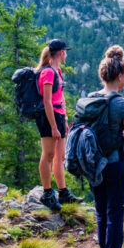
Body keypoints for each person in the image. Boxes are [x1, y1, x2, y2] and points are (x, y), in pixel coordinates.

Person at [91, 45, 124, 248]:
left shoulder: (90, 100)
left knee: (100, 213)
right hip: (117, 164)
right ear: (120, 76)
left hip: (94, 166)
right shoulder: (123, 104)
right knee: (115, 214)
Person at [35, 39, 81, 210]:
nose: (66, 54)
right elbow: (47, 101)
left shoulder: (57, 71)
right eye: (65, 52)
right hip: (49, 117)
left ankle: (63, 193)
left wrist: (65, 120)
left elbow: (59, 97)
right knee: (47, 155)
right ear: (61, 53)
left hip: (59, 116)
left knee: (60, 157)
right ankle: (47, 193)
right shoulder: (47, 72)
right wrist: (54, 126)